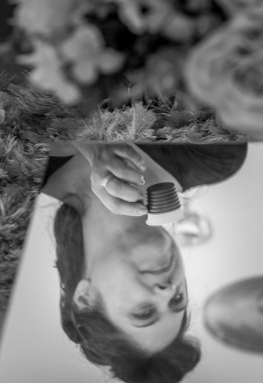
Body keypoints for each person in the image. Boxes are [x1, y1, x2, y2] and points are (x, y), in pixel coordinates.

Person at [41, 140, 247, 383]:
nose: (168, 290)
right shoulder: (215, 156)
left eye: (144, 312)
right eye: (177, 300)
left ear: (86, 299)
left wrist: (90, 143)